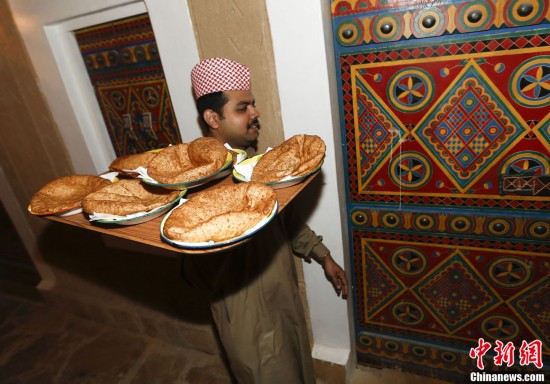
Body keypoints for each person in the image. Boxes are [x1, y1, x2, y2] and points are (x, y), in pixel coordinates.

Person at [183, 57, 348, 384]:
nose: (255, 113)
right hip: (248, 317)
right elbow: (193, 273)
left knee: (298, 367)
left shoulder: (253, 165)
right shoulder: (195, 182)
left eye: (253, 105)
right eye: (242, 107)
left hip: (282, 296)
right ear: (213, 118)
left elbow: (283, 217)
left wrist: (323, 256)